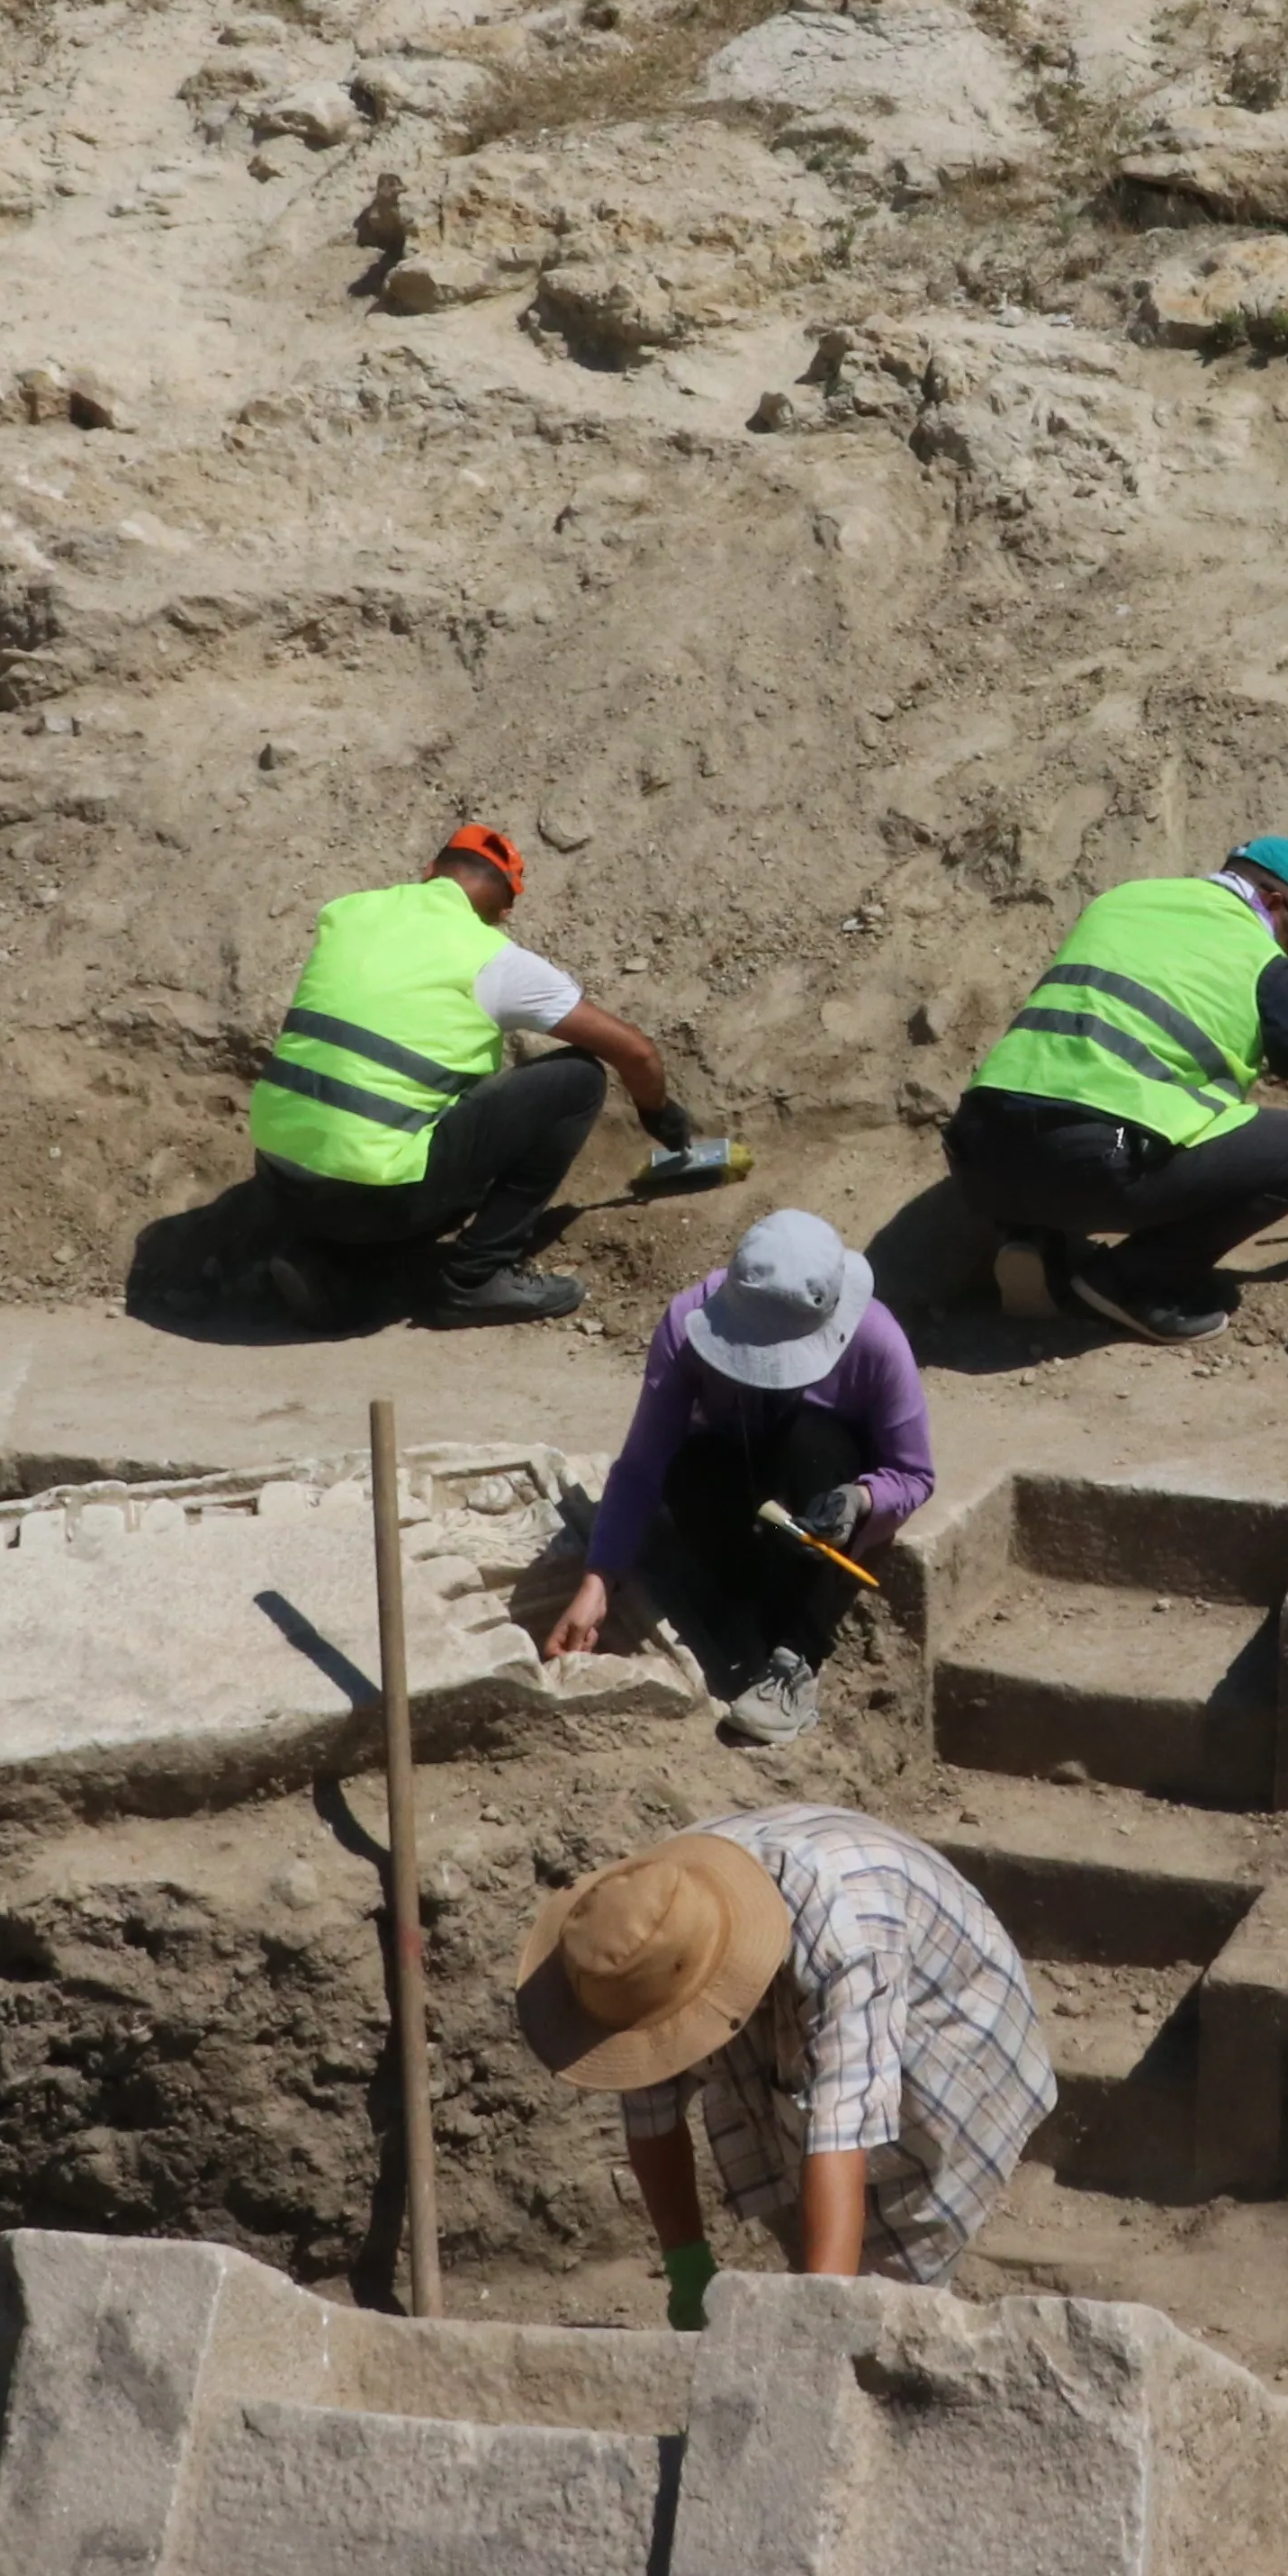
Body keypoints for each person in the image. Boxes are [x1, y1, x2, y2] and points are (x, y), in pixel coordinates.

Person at [518, 1805, 1054, 2321]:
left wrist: (816, 2338)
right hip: (812, 1985)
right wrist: (688, 2268)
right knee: (812, 2237)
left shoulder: (842, 1938)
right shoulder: (641, 1930)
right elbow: (651, 2110)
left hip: (948, 2016)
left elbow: (839, 2133)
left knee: (884, 2299)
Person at [939, 834, 1288, 1346]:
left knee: (1064, 1111)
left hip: (976, 1150)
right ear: (1273, 901)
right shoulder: (1259, 959)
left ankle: (1031, 1240)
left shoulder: (1122, 901)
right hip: (1092, 1160)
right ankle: (1132, 1282)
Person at [249, 827, 689, 1329]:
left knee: (393, 1101)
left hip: (276, 1181)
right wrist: (660, 1113)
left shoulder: (348, 913)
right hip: (373, 1200)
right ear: (504, 915)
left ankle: (325, 1257)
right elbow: (636, 1053)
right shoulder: (492, 959)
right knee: (578, 1080)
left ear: (428, 873)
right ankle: (475, 1279)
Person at [545, 1211, 931, 1750]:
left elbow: (913, 1473)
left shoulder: (875, 1342)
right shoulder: (686, 1322)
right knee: (689, 1468)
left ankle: (796, 1655)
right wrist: (598, 1581)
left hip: (822, 1487)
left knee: (811, 1445)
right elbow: (641, 1464)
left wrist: (863, 1499)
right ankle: (734, 1604)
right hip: (738, 1467)